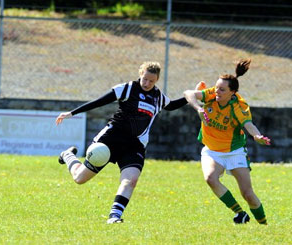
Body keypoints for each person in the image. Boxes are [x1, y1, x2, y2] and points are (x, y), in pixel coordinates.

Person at [56, 62, 193, 224]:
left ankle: (114, 216)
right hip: (111, 140)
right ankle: (67, 155)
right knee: (79, 178)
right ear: (140, 73)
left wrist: (193, 96)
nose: (147, 83)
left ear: (156, 81)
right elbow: (99, 101)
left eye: (151, 81)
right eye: (145, 79)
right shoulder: (127, 88)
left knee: (131, 180)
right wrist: (72, 113)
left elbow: (172, 105)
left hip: (135, 144)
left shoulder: (158, 97)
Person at [183, 58, 270, 225]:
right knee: (210, 178)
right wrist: (199, 108)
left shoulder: (238, 106)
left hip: (234, 151)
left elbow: (248, 124)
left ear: (233, 92)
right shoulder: (211, 95)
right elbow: (188, 94)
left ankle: (264, 225)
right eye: (216, 88)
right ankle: (240, 213)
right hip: (212, 150)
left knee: (248, 194)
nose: (217, 92)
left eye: (222, 90)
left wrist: (257, 136)